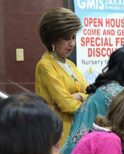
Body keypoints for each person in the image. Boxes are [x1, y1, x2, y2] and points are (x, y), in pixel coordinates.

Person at [35, 8, 87, 145]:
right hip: (57, 136)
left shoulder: (70, 64)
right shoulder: (45, 65)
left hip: (76, 132)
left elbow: (90, 93)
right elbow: (67, 105)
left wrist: (80, 96)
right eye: (66, 38)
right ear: (52, 37)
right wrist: (78, 99)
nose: (72, 43)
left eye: (73, 37)